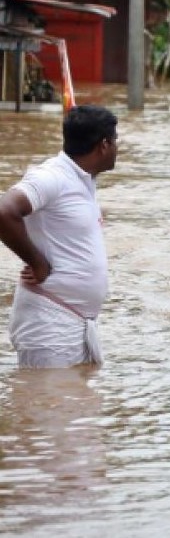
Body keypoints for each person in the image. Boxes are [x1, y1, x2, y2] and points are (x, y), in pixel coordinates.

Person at [0, 106, 119, 368]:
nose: (116, 148)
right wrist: (37, 262)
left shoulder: (83, 180)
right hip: (49, 322)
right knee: (47, 406)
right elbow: (4, 211)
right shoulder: (52, 176)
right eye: (115, 141)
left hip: (76, 321)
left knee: (76, 406)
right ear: (103, 145)